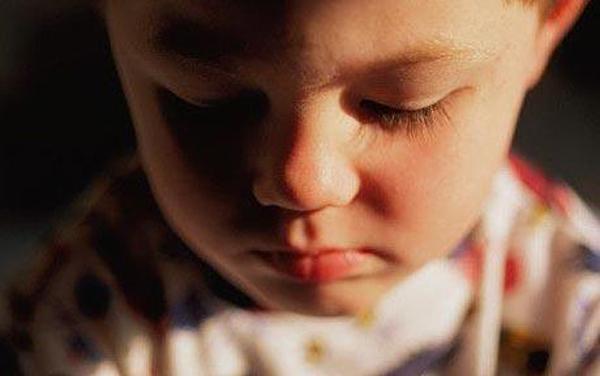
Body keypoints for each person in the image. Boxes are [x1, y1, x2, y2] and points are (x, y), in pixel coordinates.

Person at [1, 0, 598, 374]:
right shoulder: (70, 333)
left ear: (548, 25)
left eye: (399, 106)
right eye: (211, 101)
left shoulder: (577, 312)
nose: (300, 182)